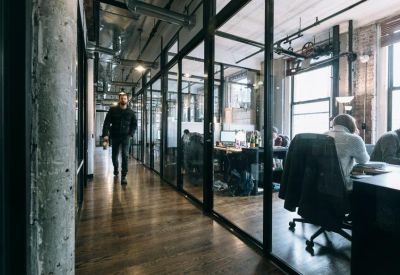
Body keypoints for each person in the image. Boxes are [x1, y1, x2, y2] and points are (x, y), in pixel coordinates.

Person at [325, 114, 369, 191]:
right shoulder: (354, 139)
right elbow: (363, 160)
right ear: (352, 125)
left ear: (334, 124)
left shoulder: (323, 135)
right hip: (341, 185)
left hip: (321, 184)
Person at [102, 92, 137, 184]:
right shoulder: (112, 110)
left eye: (125, 98)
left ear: (127, 100)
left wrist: (131, 134)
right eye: (122, 98)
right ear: (119, 99)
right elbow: (106, 123)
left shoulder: (131, 112)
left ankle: (124, 175)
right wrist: (105, 135)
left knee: (125, 155)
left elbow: (134, 124)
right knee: (114, 156)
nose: (123, 100)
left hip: (126, 137)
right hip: (115, 136)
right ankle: (116, 168)